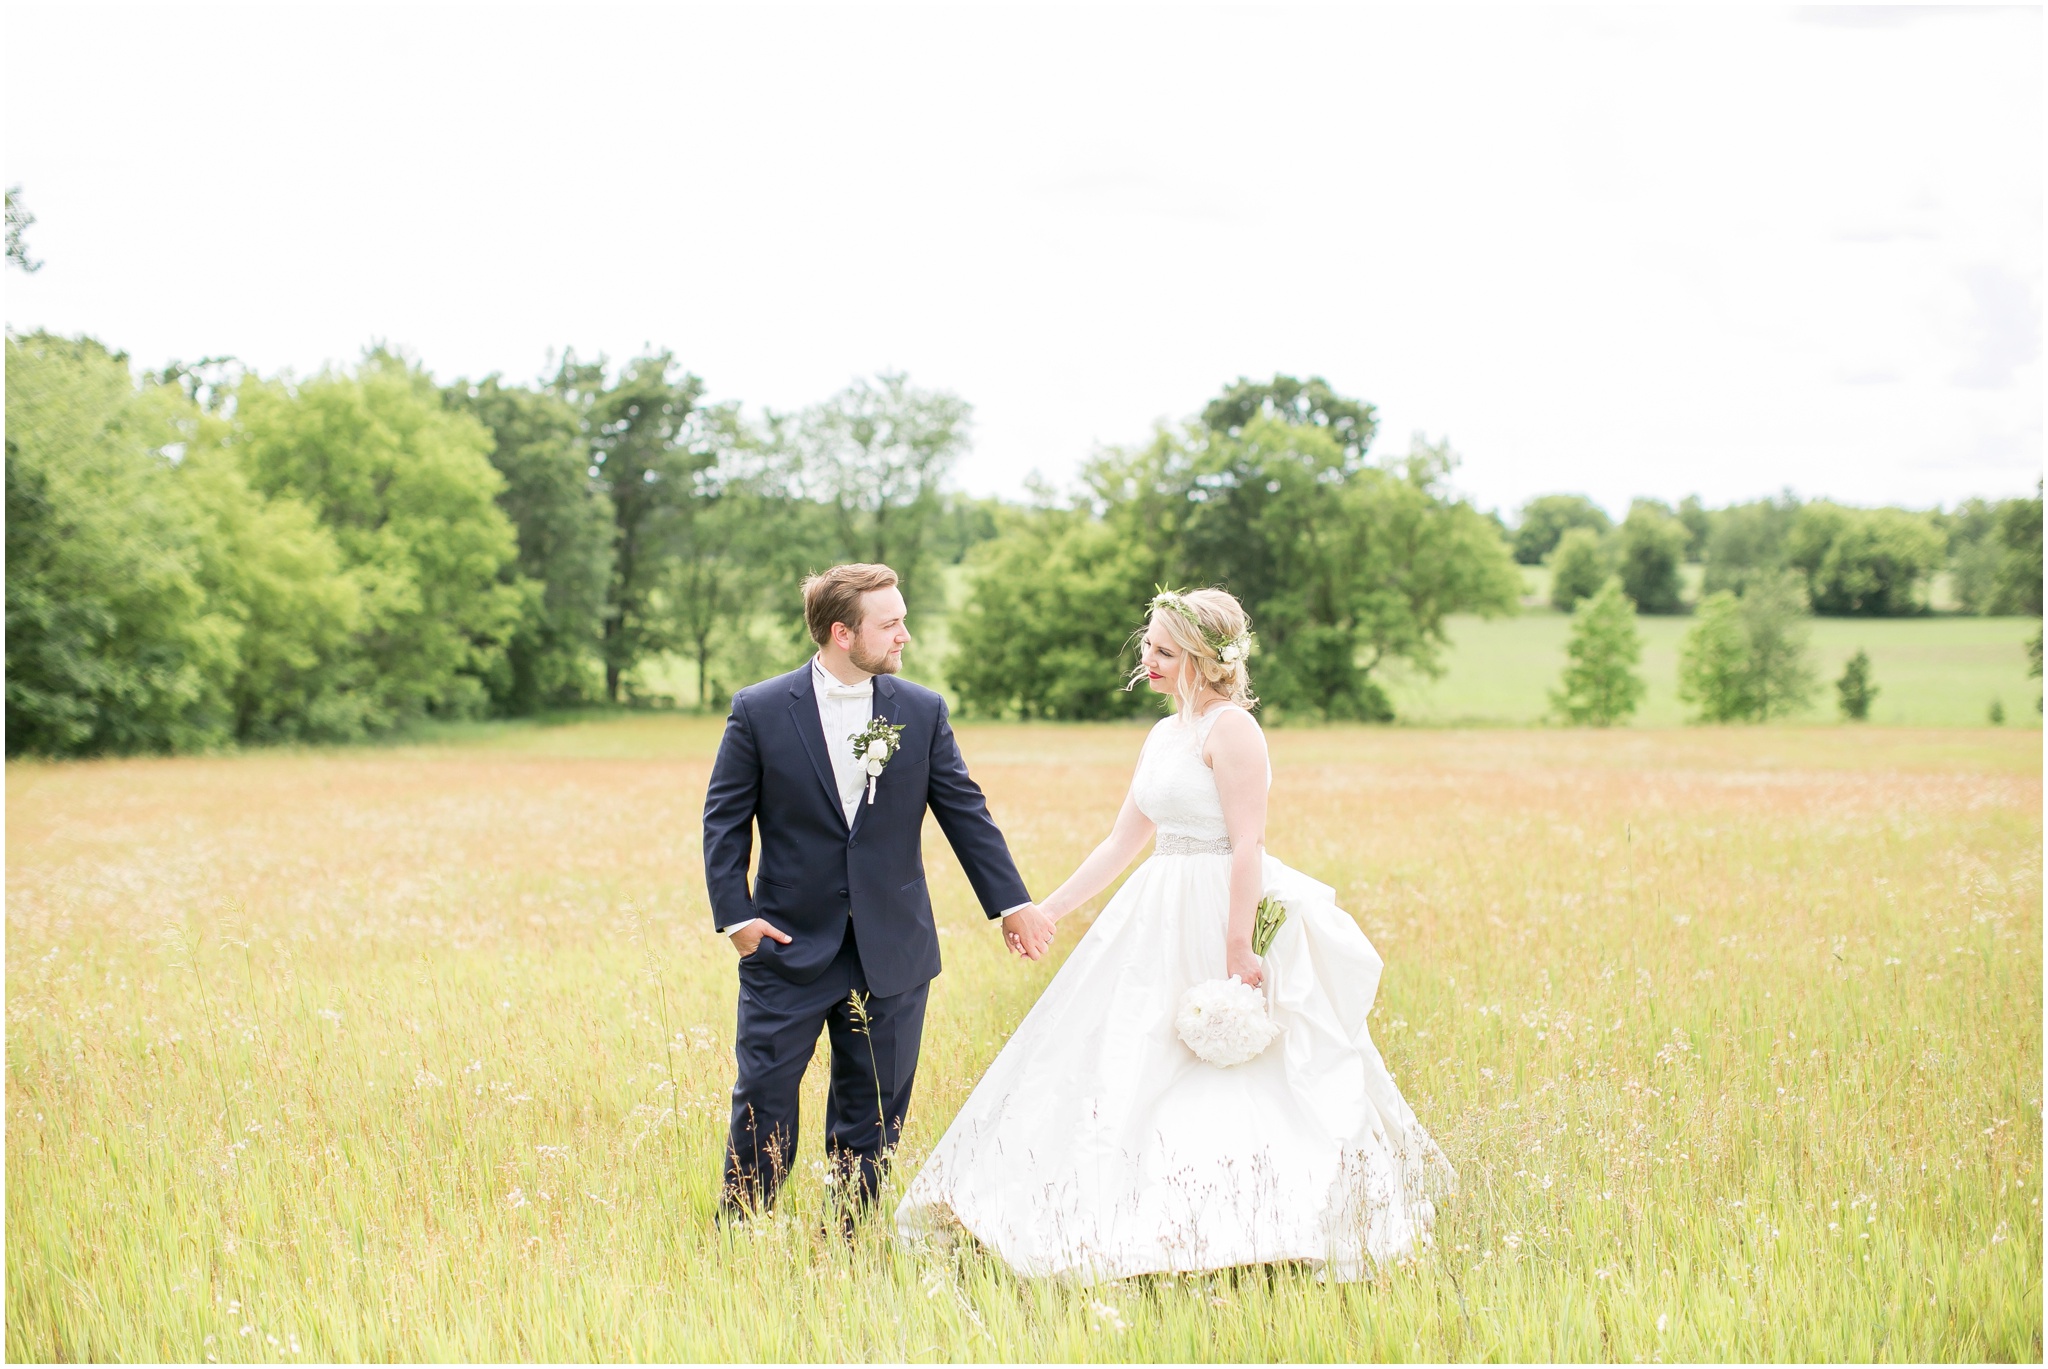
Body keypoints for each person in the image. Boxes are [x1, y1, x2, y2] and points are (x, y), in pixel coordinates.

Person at [894, 586, 1454, 1280]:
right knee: (1130, 1055)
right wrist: (1047, 910)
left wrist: (1238, 945)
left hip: (1222, 907)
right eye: (1148, 645)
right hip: (1155, 909)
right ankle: (1129, 1216)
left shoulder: (1234, 731)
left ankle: (1264, 1222)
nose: (1147, 658)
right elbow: (1121, 841)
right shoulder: (1165, 734)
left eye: (1163, 649)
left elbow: (1248, 843)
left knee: (1239, 1069)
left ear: (1202, 658)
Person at [702, 562, 1054, 1224]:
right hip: (786, 943)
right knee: (764, 1096)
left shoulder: (919, 711)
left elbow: (964, 809)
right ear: (842, 633)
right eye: (891, 623)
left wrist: (1012, 902)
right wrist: (737, 918)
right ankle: (741, 1235)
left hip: (892, 948)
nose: (906, 636)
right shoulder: (759, 709)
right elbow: (723, 817)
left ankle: (852, 1236)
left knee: (873, 1108)